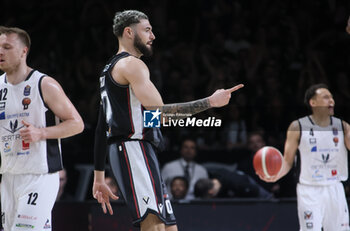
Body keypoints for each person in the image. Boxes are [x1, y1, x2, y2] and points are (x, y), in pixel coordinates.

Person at [92, 10, 243, 231]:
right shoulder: (132, 65)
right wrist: (210, 102)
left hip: (139, 150)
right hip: (132, 149)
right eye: (147, 30)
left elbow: (102, 127)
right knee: (154, 227)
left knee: (169, 228)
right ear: (128, 32)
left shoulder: (109, 69)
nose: (152, 36)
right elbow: (162, 113)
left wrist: (98, 177)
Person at [0, 26, 84, 231]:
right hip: (9, 176)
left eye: (7, 47)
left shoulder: (44, 84)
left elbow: (77, 123)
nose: (0, 52)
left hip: (40, 176)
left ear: (23, 51)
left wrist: (42, 132)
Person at [259, 84, 350, 230]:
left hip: (335, 188)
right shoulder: (297, 127)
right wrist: (275, 175)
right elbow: (287, 162)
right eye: (326, 97)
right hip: (309, 189)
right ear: (313, 103)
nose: (331, 101)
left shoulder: (343, 126)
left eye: (332, 97)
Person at [194, 168, 272, 199]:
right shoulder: (216, 175)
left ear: (210, 192)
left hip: (257, 193)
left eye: (206, 197)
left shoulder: (236, 184)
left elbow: (256, 192)